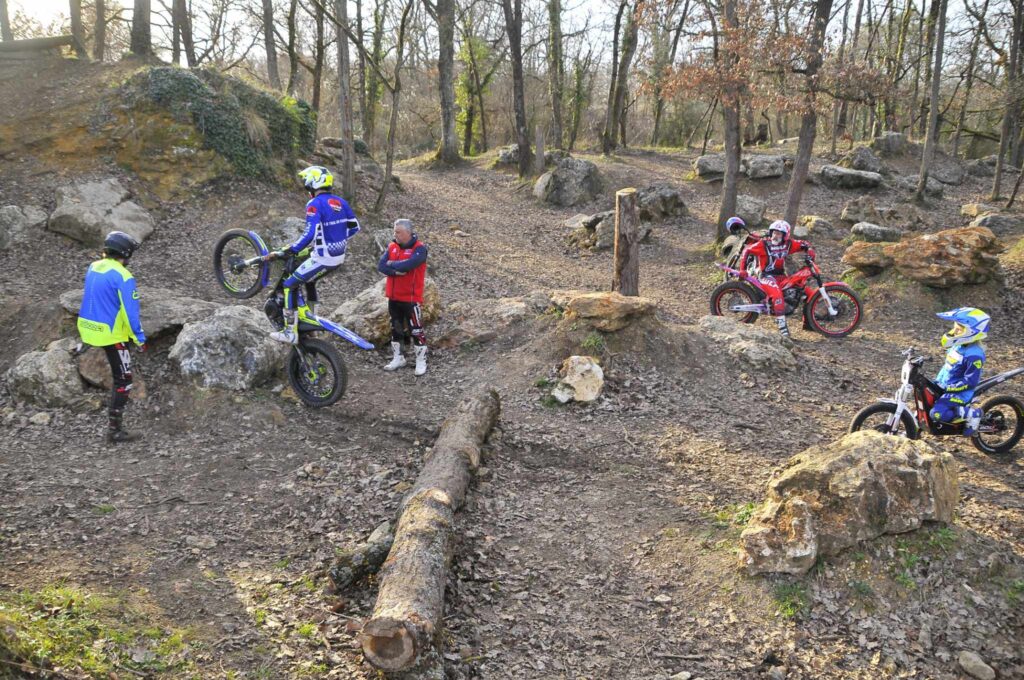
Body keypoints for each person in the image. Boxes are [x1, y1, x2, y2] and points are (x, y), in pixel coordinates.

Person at [269, 165, 360, 344]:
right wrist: (337, 240)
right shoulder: (341, 202)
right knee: (309, 281)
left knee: (289, 284)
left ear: (314, 183)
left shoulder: (314, 204)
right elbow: (355, 227)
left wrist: (293, 249)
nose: (306, 187)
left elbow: (309, 234)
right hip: (338, 257)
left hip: (323, 258)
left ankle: (290, 332)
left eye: (307, 183)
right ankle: (311, 319)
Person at [77, 231, 146, 444]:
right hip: (111, 334)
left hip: (87, 328)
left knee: (120, 375)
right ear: (125, 253)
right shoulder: (124, 276)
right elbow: (130, 313)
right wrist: (139, 338)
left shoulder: (93, 267)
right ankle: (115, 431)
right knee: (123, 380)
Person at [738, 219, 815, 338]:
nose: (775, 235)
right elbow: (747, 250)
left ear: (785, 235)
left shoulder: (789, 244)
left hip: (781, 276)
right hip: (766, 276)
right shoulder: (764, 244)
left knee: (807, 292)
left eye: (778, 233)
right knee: (778, 296)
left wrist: (809, 251)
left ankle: (809, 323)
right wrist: (742, 269)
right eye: (774, 232)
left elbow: (804, 244)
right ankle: (782, 328)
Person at [378, 219, 429, 376]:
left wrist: (391, 263)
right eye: (394, 231)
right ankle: (398, 358)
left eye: (398, 232)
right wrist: (394, 270)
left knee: (416, 329)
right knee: (396, 328)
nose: (395, 234)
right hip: (393, 297)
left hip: (411, 298)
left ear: (408, 232)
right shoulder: (392, 246)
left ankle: (421, 360)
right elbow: (381, 266)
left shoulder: (420, 249)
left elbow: (408, 265)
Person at [930, 307, 990, 435]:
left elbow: (971, 381)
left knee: (936, 413)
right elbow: (948, 367)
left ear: (972, 331)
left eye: (960, 328)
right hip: (945, 386)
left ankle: (973, 414)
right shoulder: (958, 345)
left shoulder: (974, 355)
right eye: (955, 326)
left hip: (960, 393)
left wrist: (951, 388)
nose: (955, 330)